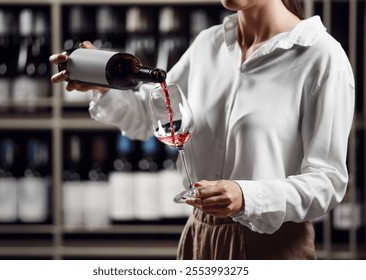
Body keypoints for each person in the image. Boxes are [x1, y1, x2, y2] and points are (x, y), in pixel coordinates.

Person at [50, 0, 355, 259]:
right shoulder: (209, 43)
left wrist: (247, 195)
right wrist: (102, 88)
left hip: (273, 245)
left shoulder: (321, 57)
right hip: (199, 236)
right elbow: (149, 115)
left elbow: (327, 182)